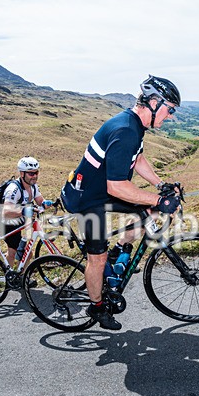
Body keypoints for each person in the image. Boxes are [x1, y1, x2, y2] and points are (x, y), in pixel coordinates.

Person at [60, 75, 182, 330]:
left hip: (101, 192)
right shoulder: (126, 129)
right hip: (86, 199)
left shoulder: (135, 125)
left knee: (150, 211)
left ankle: (120, 247)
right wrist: (160, 199)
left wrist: (161, 186)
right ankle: (97, 307)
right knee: (97, 259)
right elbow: (116, 186)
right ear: (153, 102)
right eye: (169, 109)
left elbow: (137, 160)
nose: (170, 116)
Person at [0, 156, 46, 268]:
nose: (35, 176)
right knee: (20, 253)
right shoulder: (14, 189)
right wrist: (24, 210)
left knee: (24, 253)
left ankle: (18, 278)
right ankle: (12, 281)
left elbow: (40, 201)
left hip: (19, 222)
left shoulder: (33, 186)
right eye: (31, 174)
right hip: (6, 223)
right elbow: (6, 211)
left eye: (36, 173)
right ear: (22, 174)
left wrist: (47, 203)